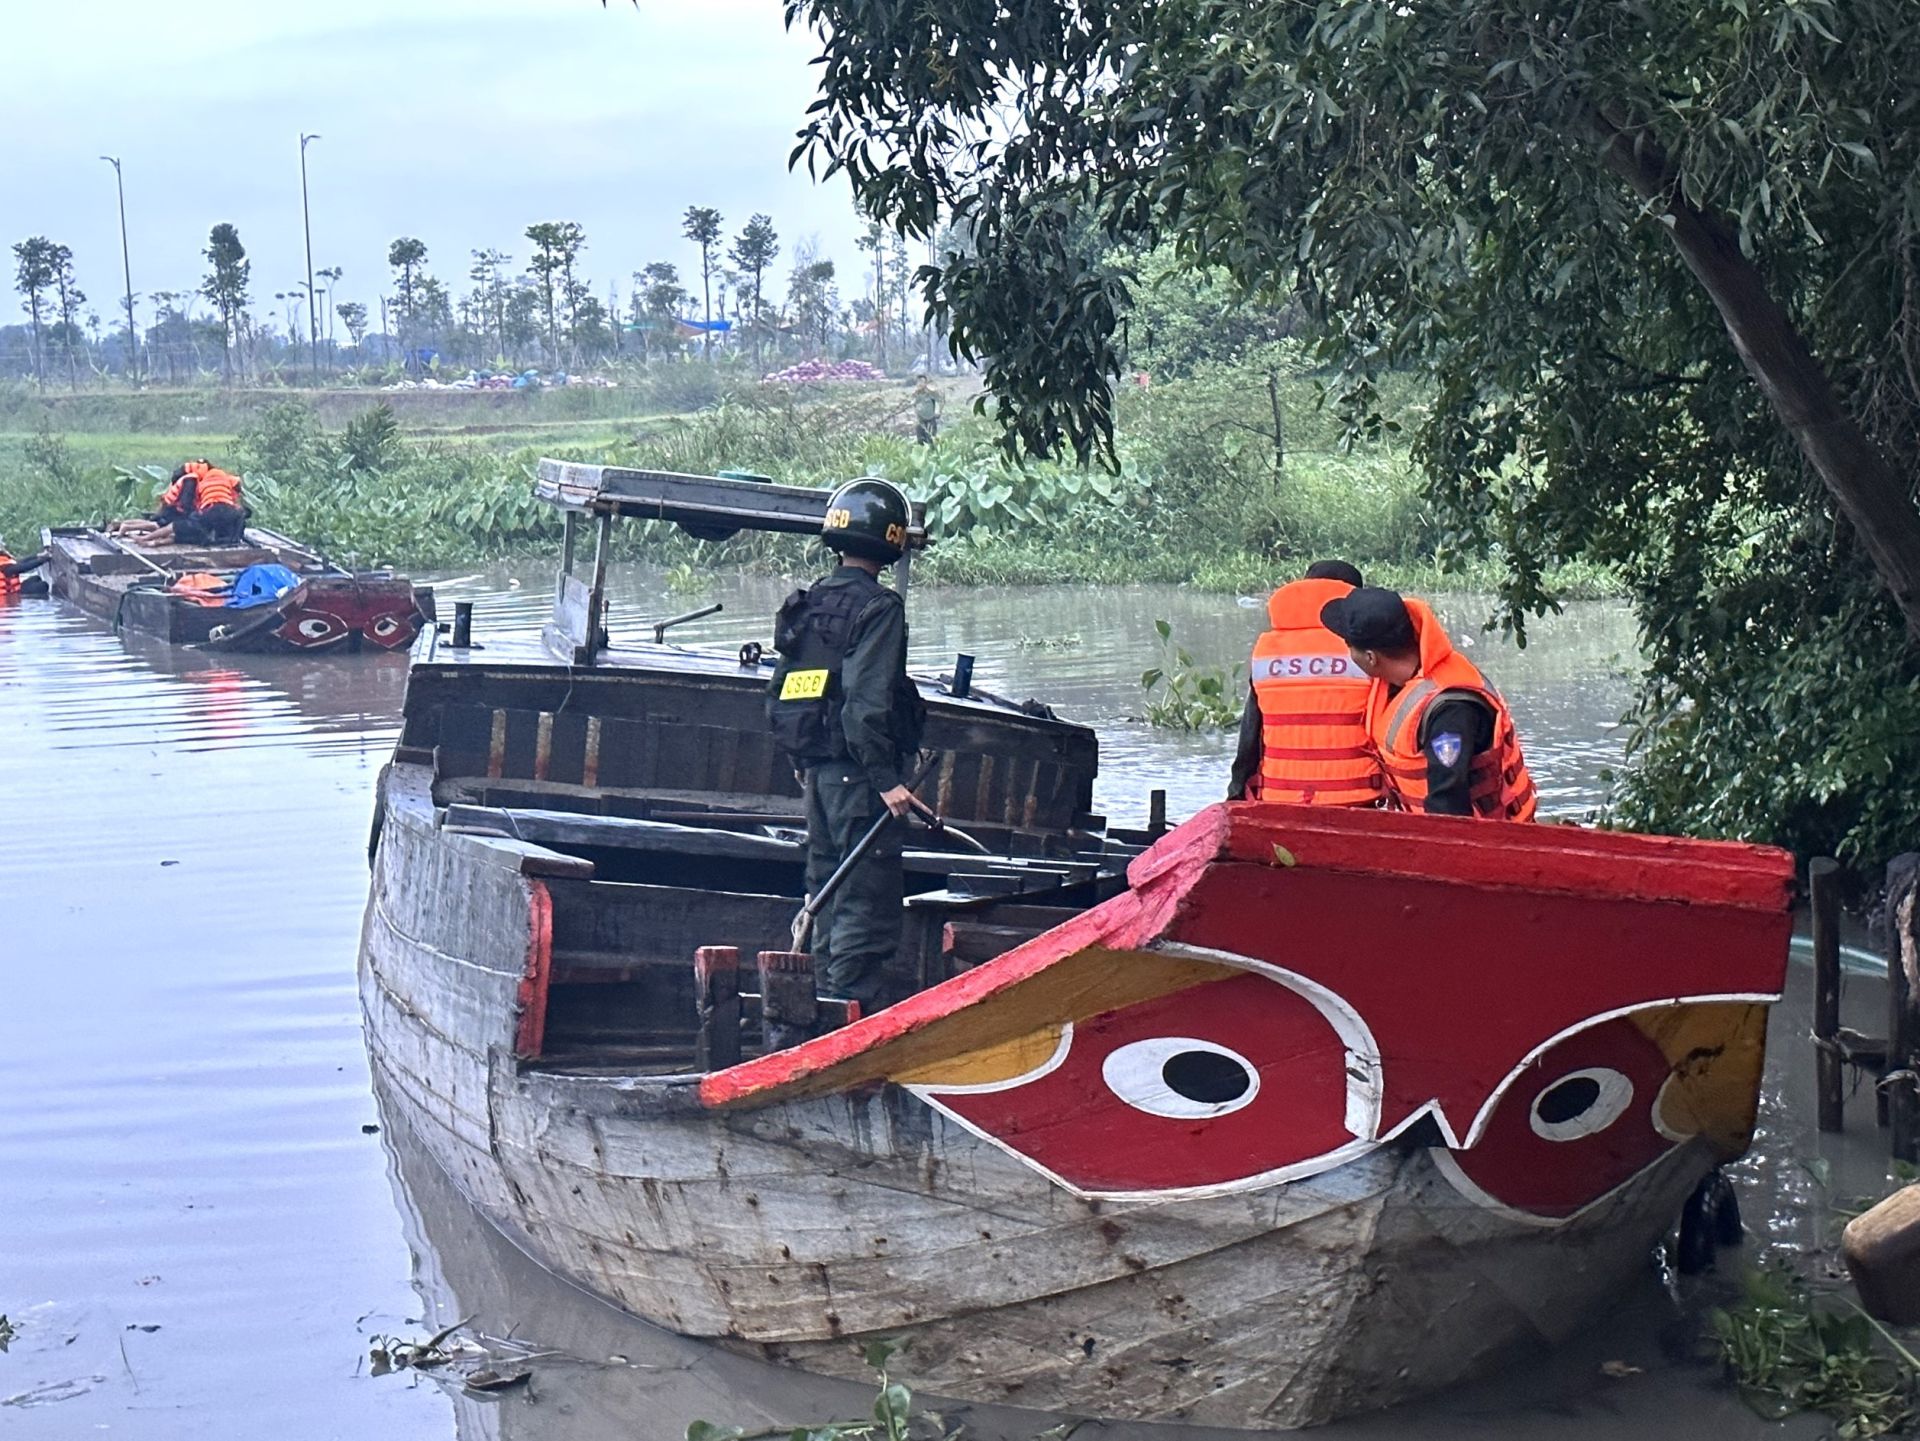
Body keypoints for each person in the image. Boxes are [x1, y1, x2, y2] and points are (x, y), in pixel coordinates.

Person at [766, 477, 926, 1016]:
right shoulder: (880, 608)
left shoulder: (811, 604)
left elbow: (785, 691)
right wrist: (886, 779)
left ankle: (817, 1007)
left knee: (825, 887)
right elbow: (865, 700)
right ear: (892, 539)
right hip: (859, 780)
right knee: (864, 897)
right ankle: (850, 1016)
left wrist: (802, 760)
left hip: (818, 774)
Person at [1318, 585, 1537, 820]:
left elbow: (1449, 808)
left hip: (1491, 840)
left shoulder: (1450, 711)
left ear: (1371, 657)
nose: (1348, 654)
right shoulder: (1394, 681)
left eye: (1349, 646)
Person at [1227, 559, 1383, 806]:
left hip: (1280, 797)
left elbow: (1249, 737)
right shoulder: (1368, 649)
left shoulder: (1269, 649)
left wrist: (1235, 795)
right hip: (1356, 798)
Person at [134, 460, 249, 547]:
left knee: (177, 526)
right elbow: (236, 485)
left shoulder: (196, 480)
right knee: (186, 530)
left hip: (206, 509)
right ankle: (233, 540)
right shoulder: (223, 478)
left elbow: (193, 503)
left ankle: (147, 539)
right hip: (225, 510)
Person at [912, 378, 940, 445]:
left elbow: (939, 401)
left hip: (930, 420)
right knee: (921, 441)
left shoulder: (931, 394)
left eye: (922, 382)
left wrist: (938, 412)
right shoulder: (916, 395)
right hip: (920, 421)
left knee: (931, 440)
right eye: (919, 382)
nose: (920, 384)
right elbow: (913, 404)